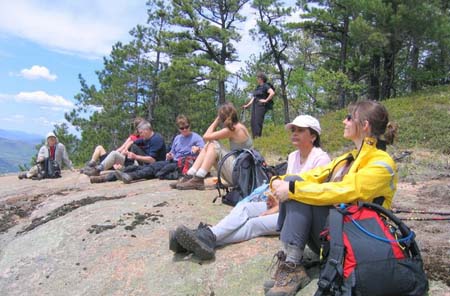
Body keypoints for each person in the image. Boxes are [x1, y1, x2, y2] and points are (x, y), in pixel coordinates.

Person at [264, 100, 398, 296]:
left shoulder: (382, 163)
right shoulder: (349, 157)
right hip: (339, 233)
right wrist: (277, 180)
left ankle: (292, 265)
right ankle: (292, 263)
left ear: (365, 125)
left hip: (358, 241)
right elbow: (314, 175)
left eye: (349, 117)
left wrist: (292, 189)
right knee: (294, 181)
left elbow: (344, 190)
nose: (344, 121)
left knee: (297, 189)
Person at [170, 115, 331, 260]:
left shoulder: (321, 159)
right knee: (244, 207)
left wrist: (275, 209)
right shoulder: (293, 156)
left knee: (253, 225)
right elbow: (283, 188)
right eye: (293, 130)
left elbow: (309, 196)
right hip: (284, 206)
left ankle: (201, 239)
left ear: (313, 136)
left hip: (299, 216)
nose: (294, 133)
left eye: (300, 130)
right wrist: (275, 201)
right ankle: (206, 237)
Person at [173, 102, 253, 190]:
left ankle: (198, 178)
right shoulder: (239, 126)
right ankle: (190, 175)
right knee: (209, 144)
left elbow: (205, 136)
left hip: (241, 175)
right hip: (242, 172)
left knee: (213, 144)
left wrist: (216, 121)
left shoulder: (232, 129)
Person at [114, 115, 205, 183]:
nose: (185, 130)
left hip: (183, 164)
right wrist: (169, 155)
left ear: (190, 126)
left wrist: (198, 150)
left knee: (155, 170)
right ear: (178, 128)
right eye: (182, 128)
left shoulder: (196, 138)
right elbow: (172, 152)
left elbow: (205, 152)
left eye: (187, 127)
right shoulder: (177, 138)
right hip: (173, 161)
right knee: (151, 167)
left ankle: (130, 176)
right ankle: (117, 174)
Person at [89, 121, 166, 182]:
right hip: (139, 162)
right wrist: (125, 151)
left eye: (141, 132)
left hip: (152, 166)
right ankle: (98, 169)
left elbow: (152, 160)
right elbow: (132, 142)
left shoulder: (157, 140)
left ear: (146, 130)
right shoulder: (145, 138)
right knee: (114, 154)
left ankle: (104, 179)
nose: (140, 135)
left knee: (126, 171)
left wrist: (135, 156)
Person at [242, 72, 275, 138]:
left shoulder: (266, 86)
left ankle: (258, 137)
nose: (257, 79)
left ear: (261, 79)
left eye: (258, 78)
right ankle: (254, 137)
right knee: (253, 121)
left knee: (258, 121)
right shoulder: (257, 87)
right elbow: (254, 98)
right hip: (255, 105)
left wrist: (265, 100)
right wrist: (247, 105)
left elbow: (272, 93)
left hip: (261, 105)